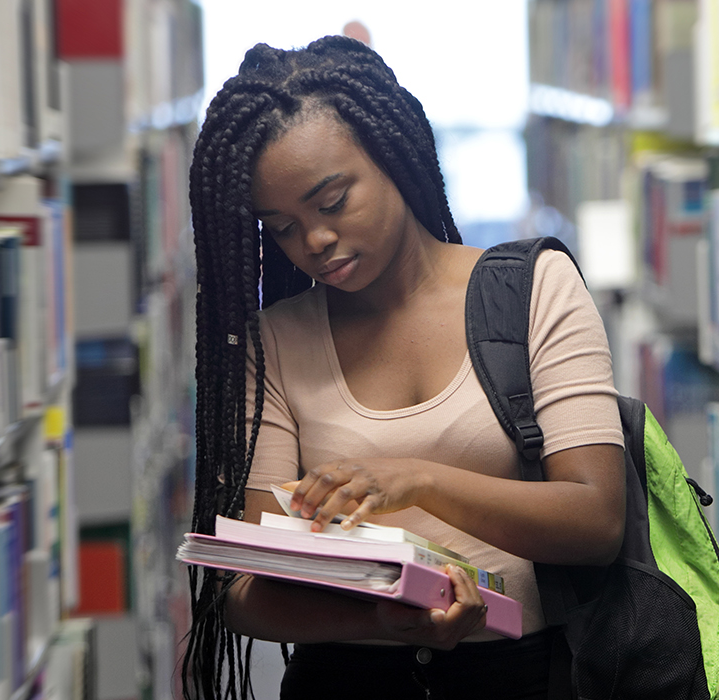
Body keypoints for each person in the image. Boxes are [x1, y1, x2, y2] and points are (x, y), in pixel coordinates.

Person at [182, 36, 625, 700]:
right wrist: (381, 619)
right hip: (344, 682)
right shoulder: (274, 343)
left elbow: (597, 521)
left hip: (528, 677)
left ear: (391, 156)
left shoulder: (534, 288)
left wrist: (417, 481)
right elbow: (244, 591)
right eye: (282, 227)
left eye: (332, 202)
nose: (314, 241)